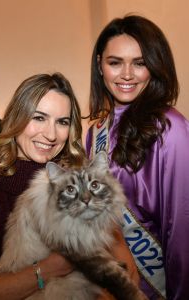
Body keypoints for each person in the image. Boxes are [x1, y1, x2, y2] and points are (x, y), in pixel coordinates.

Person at [0, 72, 140, 300]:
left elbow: (128, 273)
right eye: (39, 118)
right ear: (18, 118)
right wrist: (51, 268)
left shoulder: (85, 184)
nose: (51, 134)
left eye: (62, 122)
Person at [85, 15, 189, 300]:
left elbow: (182, 228)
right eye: (115, 62)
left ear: (155, 67)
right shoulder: (95, 132)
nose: (127, 74)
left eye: (140, 63)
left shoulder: (170, 128)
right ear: (99, 65)